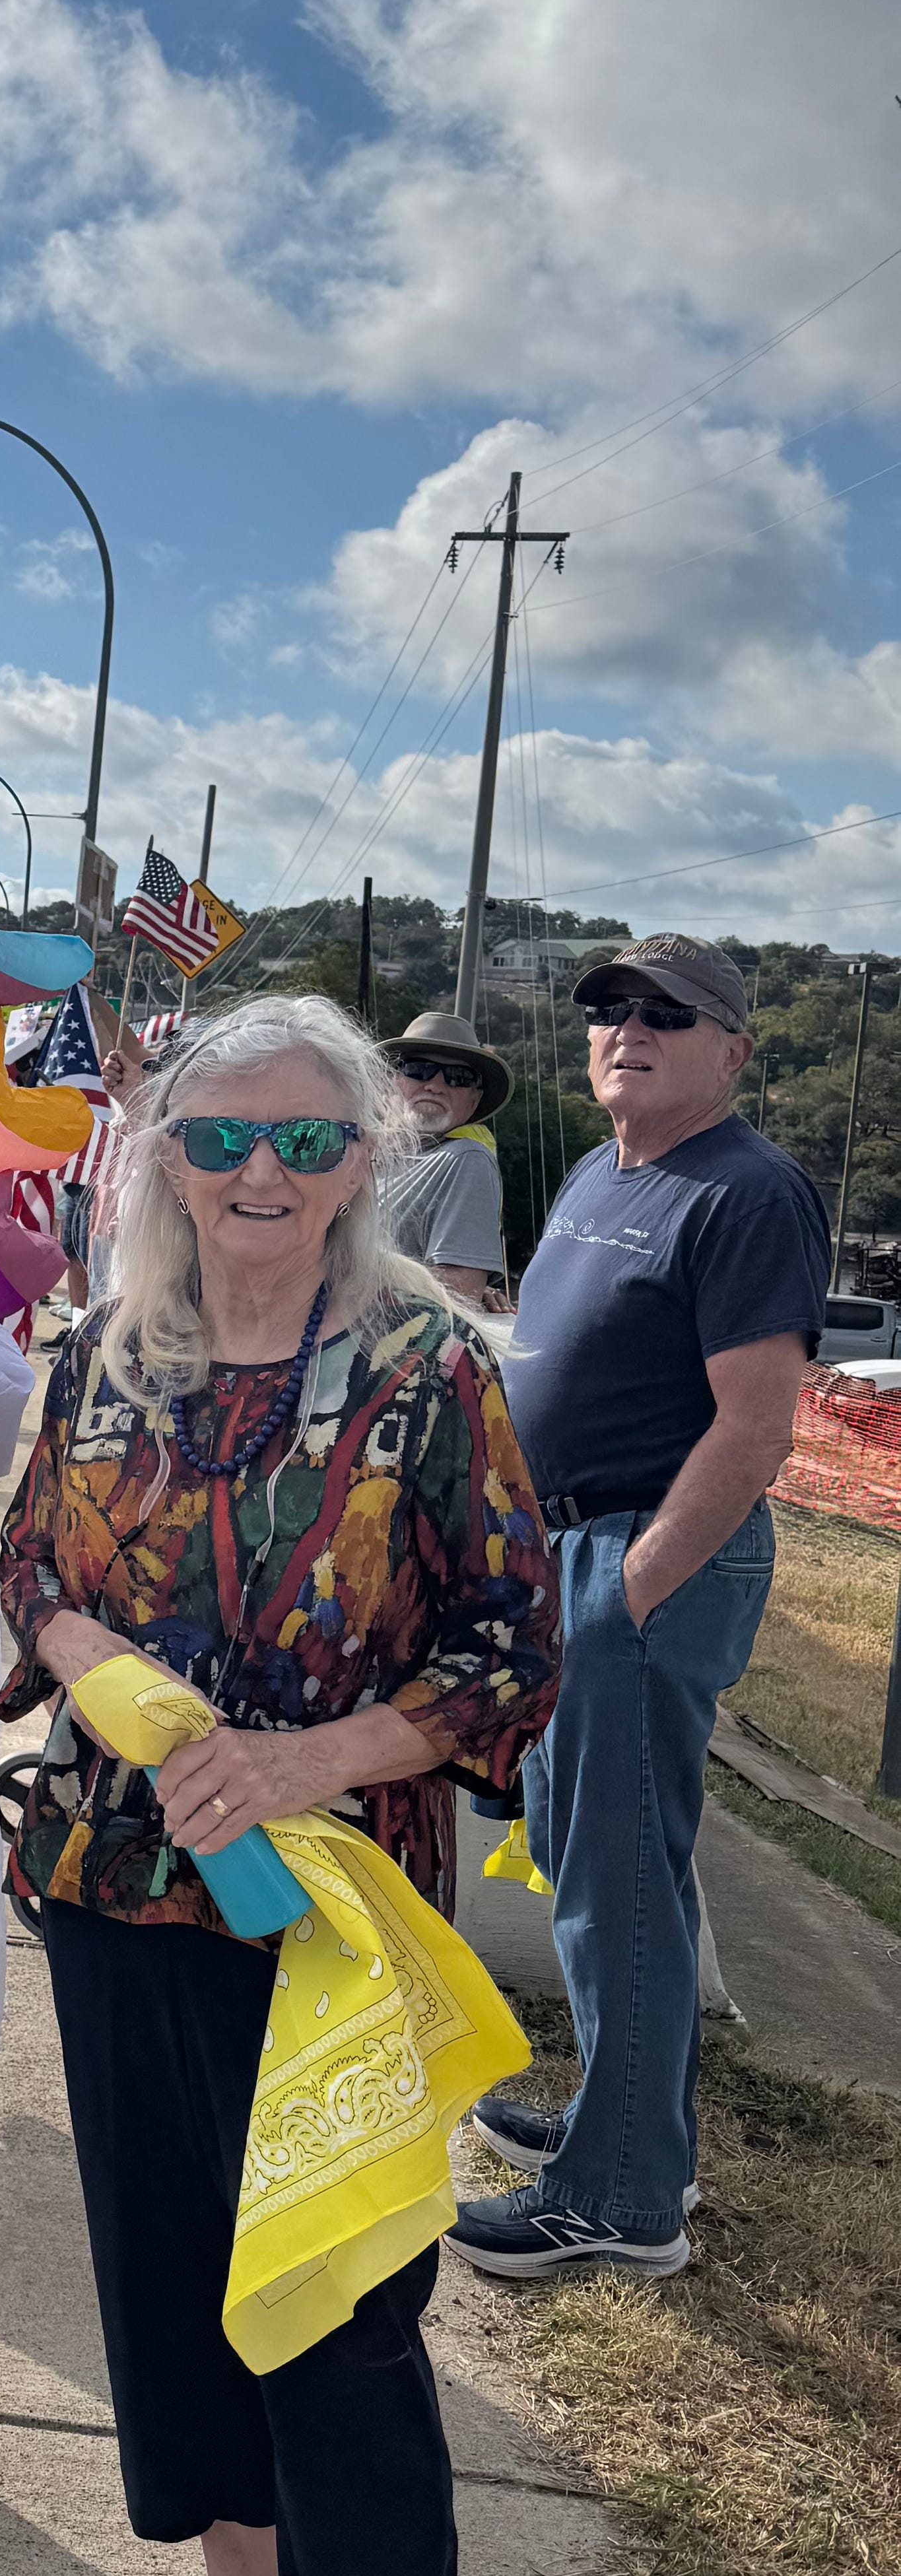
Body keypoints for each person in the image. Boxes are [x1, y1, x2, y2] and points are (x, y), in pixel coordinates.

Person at [0, 992, 558, 2576]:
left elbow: (510, 1651)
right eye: (220, 1137)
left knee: (341, 2309)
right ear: (163, 1155)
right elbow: (30, 1572)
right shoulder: (107, 1352)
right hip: (112, 1891)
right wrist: (108, 1676)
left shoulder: (429, 1372)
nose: (261, 1174)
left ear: (365, 1162)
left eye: (308, 1142)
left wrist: (302, 1759)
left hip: (329, 1936)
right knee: (168, 2285)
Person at [450, 933, 825, 2282]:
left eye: (668, 1011)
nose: (630, 1026)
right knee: (582, 1860)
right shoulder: (605, 1171)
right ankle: (625, 2131)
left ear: (732, 1050)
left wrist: (626, 1592)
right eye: (609, 1006)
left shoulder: (747, 1191)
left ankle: (620, 2197)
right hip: (565, 1551)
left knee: (619, 1884)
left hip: (643, 1558)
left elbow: (754, 1428)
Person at [382, 1009, 510, 1308]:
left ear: (474, 1101)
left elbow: (457, 1291)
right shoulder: (354, 1152)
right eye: (418, 1070)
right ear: (389, 1082)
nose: (436, 1086)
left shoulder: (466, 1159)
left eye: (458, 1078)